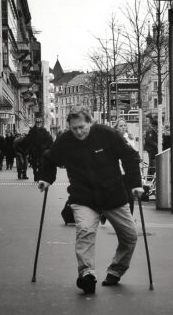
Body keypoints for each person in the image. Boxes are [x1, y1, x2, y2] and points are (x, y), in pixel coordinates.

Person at [38, 106, 143, 294]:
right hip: (83, 196)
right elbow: (49, 158)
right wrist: (46, 178)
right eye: (74, 128)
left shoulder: (107, 135)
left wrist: (135, 183)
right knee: (85, 231)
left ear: (90, 123)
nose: (78, 132)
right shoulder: (65, 140)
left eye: (82, 127)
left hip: (113, 195)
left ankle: (116, 270)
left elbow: (130, 156)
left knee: (130, 236)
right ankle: (87, 274)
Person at [27, 118, 53, 182]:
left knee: (41, 164)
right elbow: (28, 140)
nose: (38, 124)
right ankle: (35, 174)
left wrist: (45, 146)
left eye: (39, 123)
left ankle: (39, 176)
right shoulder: (32, 131)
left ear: (41, 123)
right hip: (34, 151)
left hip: (42, 151)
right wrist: (31, 147)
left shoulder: (44, 131)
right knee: (34, 164)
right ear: (35, 123)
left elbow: (48, 140)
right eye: (37, 123)